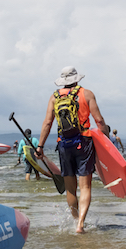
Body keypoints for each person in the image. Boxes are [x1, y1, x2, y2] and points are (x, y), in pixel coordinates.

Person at [37, 66, 110, 233]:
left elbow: (47, 123)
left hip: (64, 144)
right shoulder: (87, 94)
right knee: (85, 186)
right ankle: (81, 224)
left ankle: (75, 220)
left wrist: (40, 146)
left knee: (70, 188)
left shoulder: (54, 97)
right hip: (84, 141)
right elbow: (99, 120)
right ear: (77, 79)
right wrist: (106, 140)